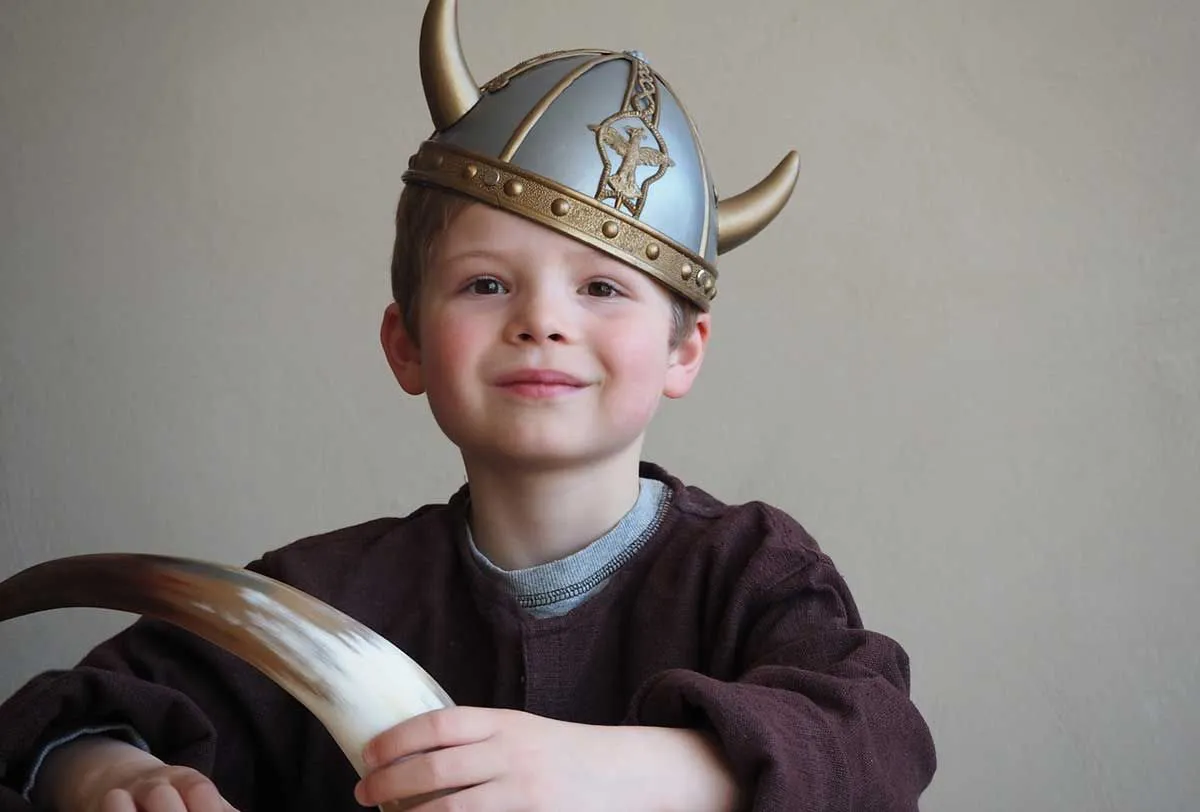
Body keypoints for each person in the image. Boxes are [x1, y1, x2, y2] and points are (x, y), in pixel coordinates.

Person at [0, 1, 936, 809]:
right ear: (406, 344)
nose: (542, 322)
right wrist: (96, 769)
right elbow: (69, 711)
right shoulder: (320, 593)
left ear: (683, 351)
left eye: (602, 290)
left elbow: (878, 747)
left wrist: (637, 774)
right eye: (487, 285)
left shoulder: (754, 573)